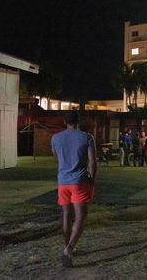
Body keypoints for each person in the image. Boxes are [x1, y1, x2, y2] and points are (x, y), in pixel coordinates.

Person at [51, 111, 96, 268]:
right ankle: (69, 249)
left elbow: (57, 158)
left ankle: (67, 245)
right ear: (79, 121)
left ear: (65, 122)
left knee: (66, 215)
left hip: (63, 181)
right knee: (80, 216)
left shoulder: (55, 138)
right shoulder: (87, 137)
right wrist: (92, 179)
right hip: (79, 181)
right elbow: (92, 162)